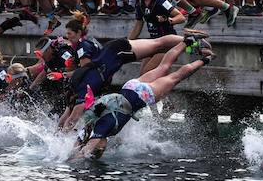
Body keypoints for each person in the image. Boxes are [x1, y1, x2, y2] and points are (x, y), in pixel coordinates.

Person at [76, 35, 214, 159]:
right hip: (129, 87)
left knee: (176, 77)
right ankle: (186, 42)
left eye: (101, 149)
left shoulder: (100, 132)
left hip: (142, 95)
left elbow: (86, 151)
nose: (104, 148)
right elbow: (80, 140)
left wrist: (77, 160)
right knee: (163, 67)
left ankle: (206, 59)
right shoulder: (91, 122)